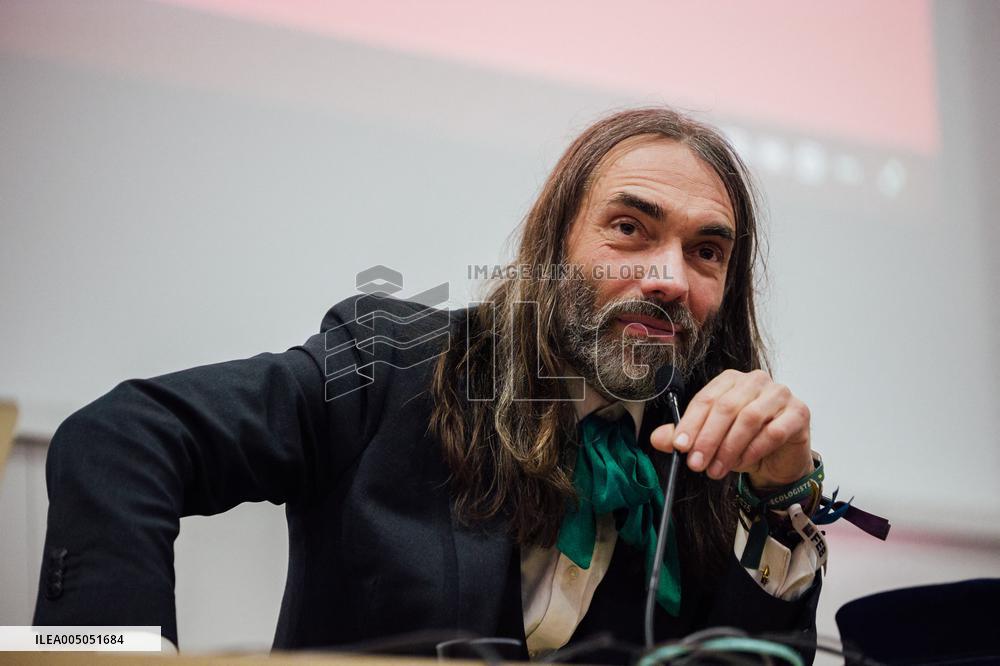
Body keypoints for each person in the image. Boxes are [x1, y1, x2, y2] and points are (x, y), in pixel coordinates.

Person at [34, 107, 826, 663]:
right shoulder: (393, 364)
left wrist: (780, 498)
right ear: (553, 244)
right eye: (630, 228)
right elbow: (126, 435)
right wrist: (110, 650)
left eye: (706, 252)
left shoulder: (715, 448)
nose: (669, 279)